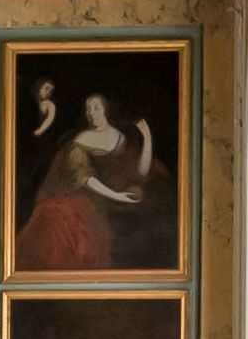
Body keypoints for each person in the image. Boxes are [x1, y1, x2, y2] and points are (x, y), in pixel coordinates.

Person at [20, 87, 155, 269]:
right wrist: (116, 195)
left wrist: (147, 137)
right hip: (86, 195)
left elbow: (140, 173)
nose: (91, 113)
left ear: (105, 110)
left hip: (117, 194)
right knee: (57, 218)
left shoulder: (120, 138)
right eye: (88, 109)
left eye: (96, 107)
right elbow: (85, 178)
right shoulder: (81, 140)